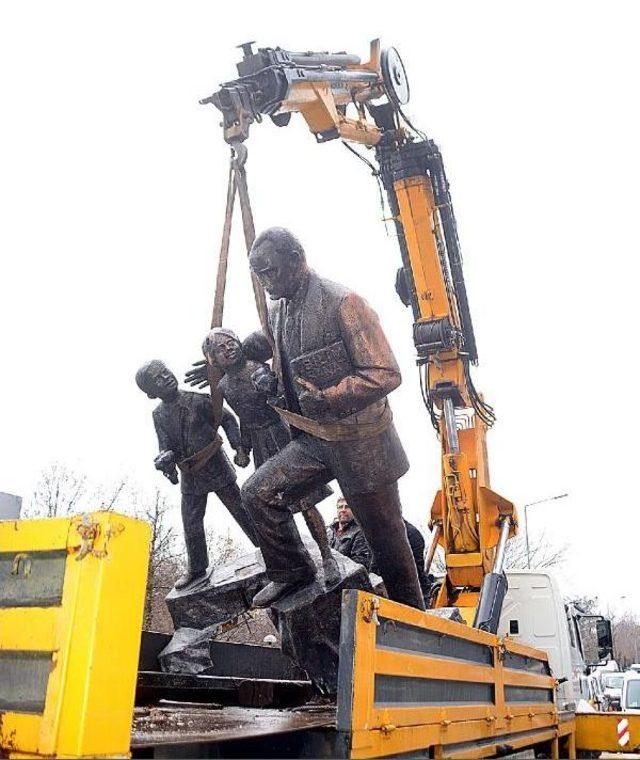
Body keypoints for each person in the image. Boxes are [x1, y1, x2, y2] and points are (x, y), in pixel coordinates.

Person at [240, 226, 425, 610]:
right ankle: (292, 571)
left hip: (362, 444)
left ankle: (416, 621)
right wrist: (271, 383)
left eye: (269, 271)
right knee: (258, 493)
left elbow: (386, 372)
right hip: (314, 440)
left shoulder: (344, 303)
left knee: (387, 542)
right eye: (258, 274)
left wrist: (329, 397)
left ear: (296, 260)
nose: (264, 282)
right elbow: (289, 374)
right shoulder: (278, 313)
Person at [195, 327, 340, 585]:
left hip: (282, 434)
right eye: (221, 348)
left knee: (305, 501)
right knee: (273, 505)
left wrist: (272, 389)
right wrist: (243, 448)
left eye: (232, 342)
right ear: (213, 360)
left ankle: (327, 556)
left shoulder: (257, 368)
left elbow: (284, 398)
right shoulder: (224, 386)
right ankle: (296, 562)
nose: (230, 348)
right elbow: (244, 418)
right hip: (262, 444)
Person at [135, 360, 258, 589]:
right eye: (158, 379)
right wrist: (165, 459)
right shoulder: (159, 415)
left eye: (165, 372)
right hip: (190, 474)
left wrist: (238, 447)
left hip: (216, 466)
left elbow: (228, 419)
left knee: (241, 510)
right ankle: (197, 568)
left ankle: (268, 547)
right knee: (191, 521)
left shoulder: (197, 400)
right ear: (151, 393)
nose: (165, 378)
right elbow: (165, 444)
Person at [327, 497, 371, 570]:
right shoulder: (328, 532)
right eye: (340, 507)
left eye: (347, 507)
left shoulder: (360, 532)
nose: (343, 510)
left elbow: (360, 563)